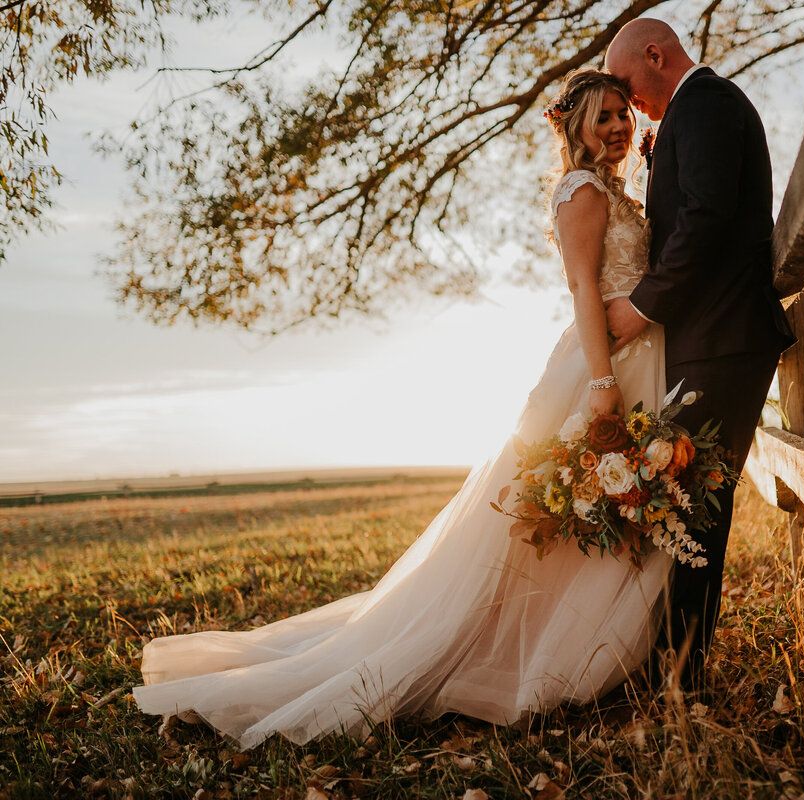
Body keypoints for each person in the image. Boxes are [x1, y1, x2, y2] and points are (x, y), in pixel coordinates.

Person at [133, 70, 674, 749]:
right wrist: (600, 383)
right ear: (575, 127)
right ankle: (527, 660)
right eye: (605, 118)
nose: (621, 126)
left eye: (625, 114)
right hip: (602, 365)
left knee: (581, 518)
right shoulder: (585, 191)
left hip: (630, 355)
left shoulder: (613, 187)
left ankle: (568, 653)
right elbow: (583, 292)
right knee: (560, 516)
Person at [604, 19, 795, 691]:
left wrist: (642, 305)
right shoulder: (689, 112)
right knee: (682, 500)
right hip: (706, 339)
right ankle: (668, 666)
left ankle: (679, 678)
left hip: (723, 340)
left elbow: (707, 220)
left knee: (695, 504)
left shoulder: (708, 104)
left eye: (628, 84)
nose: (629, 105)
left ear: (657, 55)